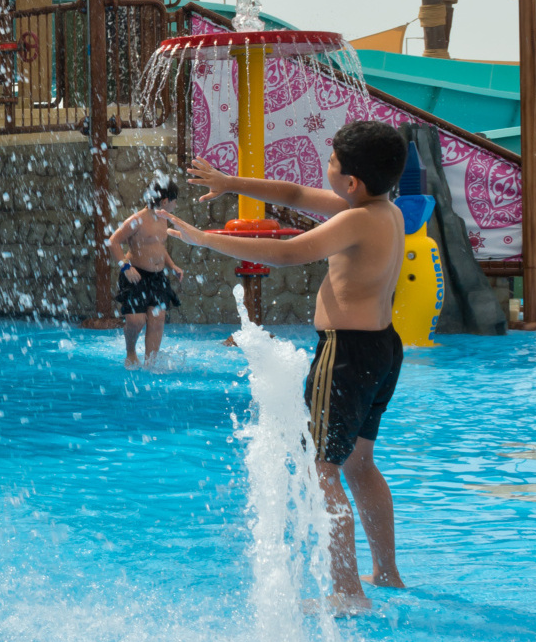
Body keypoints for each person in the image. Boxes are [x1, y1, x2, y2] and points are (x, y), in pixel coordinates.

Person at [165, 121, 409, 612]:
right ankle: (386, 572)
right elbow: (294, 192)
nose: (328, 169)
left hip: (346, 354)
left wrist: (205, 239)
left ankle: (346, 591)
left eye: (333, 163)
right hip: (382, 347)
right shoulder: (381, 210)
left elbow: (286, 253)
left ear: (351, 182)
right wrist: (231, 183)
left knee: (323, 470)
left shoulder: (354, 219)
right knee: (360, 464)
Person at [107, 175, 186, 366]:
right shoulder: (137, 220)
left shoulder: (162, 219)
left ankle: (151, 364)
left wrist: (172, 265)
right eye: (175, 201)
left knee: (157, 319)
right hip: (136, 276)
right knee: (136, 321)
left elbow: (158, 246)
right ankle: (130, 352)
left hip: (157, 278)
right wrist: (125, 267)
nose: (175, 205)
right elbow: (113, 241)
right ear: (165, 201)